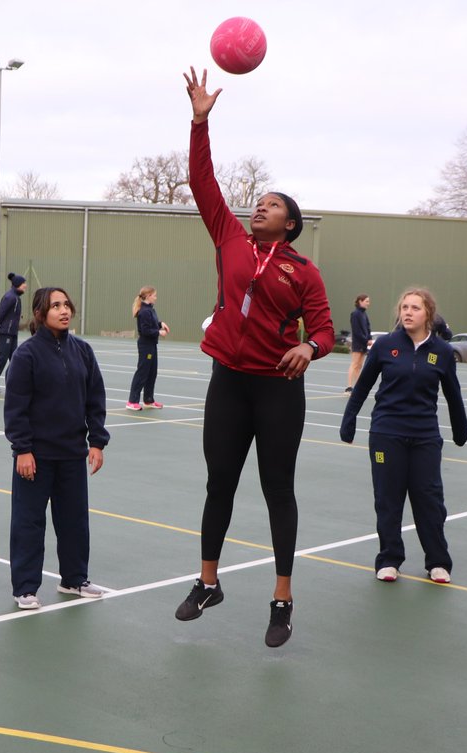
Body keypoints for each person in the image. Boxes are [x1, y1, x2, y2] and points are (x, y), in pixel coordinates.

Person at [175, 67, 335, 648]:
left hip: (275, 388)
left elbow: (324, 330)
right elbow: (202, 179)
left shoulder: (304, 271)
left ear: (289, 223)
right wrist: (200, 120)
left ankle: (282, 597)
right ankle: (209, 582)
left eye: (268, 206)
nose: (256, 209)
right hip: (229, 382)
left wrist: (307, 347)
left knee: (277, 489)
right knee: (220, 483)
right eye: (256, 204)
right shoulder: (228, 239)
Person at [340, 288, 467, 585]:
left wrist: (461, 429)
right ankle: (389, 559)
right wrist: (349, 422)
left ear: (428, 315)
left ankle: (437, 561)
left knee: (429, 499)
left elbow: (453, 394)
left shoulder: (443, 352)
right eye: (404, 307)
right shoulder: (385, 346)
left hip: (425, 437)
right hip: (387, 434)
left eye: (415, 308)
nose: (408, 312)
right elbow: (362, 388)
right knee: (388, 498)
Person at [4, 287, 110, 610]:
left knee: (74, 520)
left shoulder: (83, 351)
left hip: (72, 455)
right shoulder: (26, 356)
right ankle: (25, 587)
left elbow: (95, 399)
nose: (64, 311)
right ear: (40, 313)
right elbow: (16, 407)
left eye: (66, 305)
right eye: (55, 306)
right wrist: (23, 449)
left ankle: (74, 579)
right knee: (29, 522)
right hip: (36, 458)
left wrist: (96, 443)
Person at [126, 286, 170, 410]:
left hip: (152, 345)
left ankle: (148, 400)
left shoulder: (150, 310)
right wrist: (159, 332)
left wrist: (161, 324)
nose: (156, 297)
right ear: (148, 296)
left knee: (152, 372)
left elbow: (153, 323)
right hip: (146, 345)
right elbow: (145, 330)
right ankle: (132, 401)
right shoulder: (144, 312)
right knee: (142, 372)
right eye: (154, 295)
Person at [0, 272, 27, 392]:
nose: (25, 286)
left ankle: (13, 385)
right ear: (17, 284)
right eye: (23, 283)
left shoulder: (16, 297)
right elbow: (0, 314)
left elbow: (10, 315)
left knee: (15, 359)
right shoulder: (10, 297)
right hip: (5, 334)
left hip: (12, 334)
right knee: (2, 358)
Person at [346, 294, 372, 392]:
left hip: (364, 343)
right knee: (354, 363)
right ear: (360, 301)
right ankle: (349, 387)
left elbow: (368, 328)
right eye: (366, 301)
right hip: (358, 343)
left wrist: (369, 339)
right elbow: (357, 331)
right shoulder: (355, 314)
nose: (368, 304)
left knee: (359, 365)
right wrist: (365, 340)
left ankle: (357, 387)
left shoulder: (364, 314)